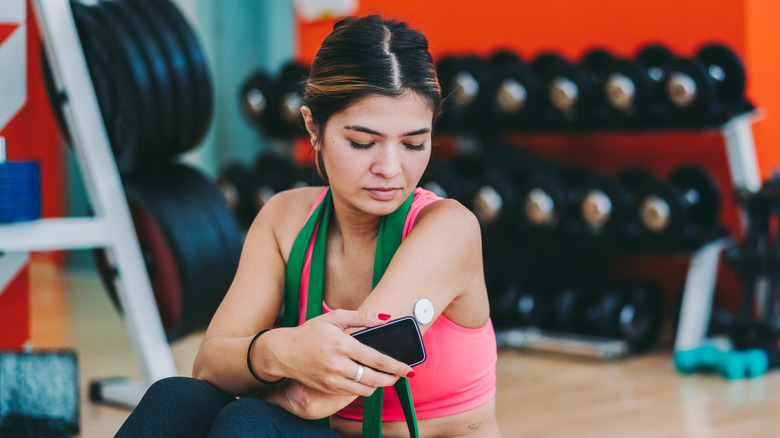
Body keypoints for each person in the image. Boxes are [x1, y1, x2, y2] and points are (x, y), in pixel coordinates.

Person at [115, 14, 499, 438]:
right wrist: (278, 349)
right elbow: (207, 367)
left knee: (248, 422)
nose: (390, 169)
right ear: (313, 128)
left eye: (413, 143)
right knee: (176, 398)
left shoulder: (448, 229)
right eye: (363, 142)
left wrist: (256, 363)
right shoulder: (285, 219)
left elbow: (316, 396)